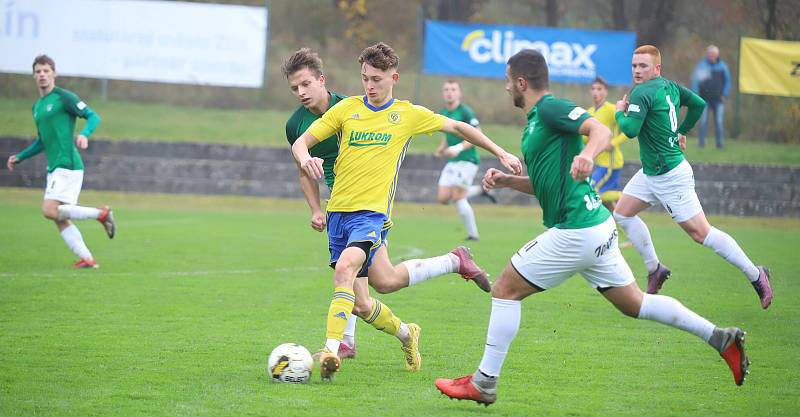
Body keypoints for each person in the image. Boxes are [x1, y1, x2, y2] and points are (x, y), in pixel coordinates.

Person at [434, 49, 750, 407]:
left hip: (577, 230)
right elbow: (547, 184)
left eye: (509, 81)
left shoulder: (551, 109)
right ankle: (720, 338)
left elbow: (598, 129)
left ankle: (484, 383)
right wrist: (507, 181)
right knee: (635, 304)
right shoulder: (536, 122)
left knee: (505, 288)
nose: (506, 88)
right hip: (596, 226)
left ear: (521, 82)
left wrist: (588, 155)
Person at [291, 42, 522, 381]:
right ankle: (409, 330)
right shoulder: (347, 109)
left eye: (377, 79)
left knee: (344, 270)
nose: (370, 86)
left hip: (370, 216)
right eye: (366, 78)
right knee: (372, 294)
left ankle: (330, 350)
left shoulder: (407, 114)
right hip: (338, 214)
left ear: (393, 78)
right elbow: (301, 143)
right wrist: (305, 157)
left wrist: (500, 152)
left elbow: (458, 128)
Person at [612, 45, 772, 308]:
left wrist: (620, 110)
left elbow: (629, 129)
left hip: (670, 176)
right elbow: (697, 104)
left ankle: (756, 275)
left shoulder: (641, 93)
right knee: (623, 213)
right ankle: (655, 269)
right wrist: (681, 132)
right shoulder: (670, 87)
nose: (637, 71)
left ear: (657, 68)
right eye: (634, 66)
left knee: (701, 234)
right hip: (653, 171)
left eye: (643, 66)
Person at [6, 54, 115, 269]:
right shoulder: (37, 107)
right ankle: (88, 259)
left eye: (46, 71)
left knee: (49, 210)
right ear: (34, 76)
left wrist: (85, 134)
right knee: (59, 217)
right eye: (38, 72)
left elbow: (94, 116)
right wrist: (21, 156)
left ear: (54, 74)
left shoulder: (64, 97)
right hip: (55, 167)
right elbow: (42, 141)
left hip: (68, 164)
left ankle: (101, 214)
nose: (42, 75)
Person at [433, 80, 496, 241]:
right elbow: (449, 136)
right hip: (453, 161)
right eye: (446, 89)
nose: (450, 92)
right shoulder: (443, 113)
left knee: (457, 196)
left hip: (468, 160)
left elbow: (478, 133)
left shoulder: (466, 112)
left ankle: (473, 235)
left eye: (453, 89)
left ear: (459, 93)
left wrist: (459, 148)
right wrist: (442, 148)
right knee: (443, 198)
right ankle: (482, 191)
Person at [690, 45, 731, 148]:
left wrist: (724, 94)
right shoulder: (702, 66)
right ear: (707, 55)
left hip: (718, 99)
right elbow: (695, 80)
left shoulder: (723, 67)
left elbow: (727, 81)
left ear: (717, 55)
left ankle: (719, 144)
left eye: (714, 54)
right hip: (704, 99)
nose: (712, 56)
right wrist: (695, 94)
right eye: (710, 54)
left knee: (719, 122)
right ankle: (701, 143)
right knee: (702, 122)